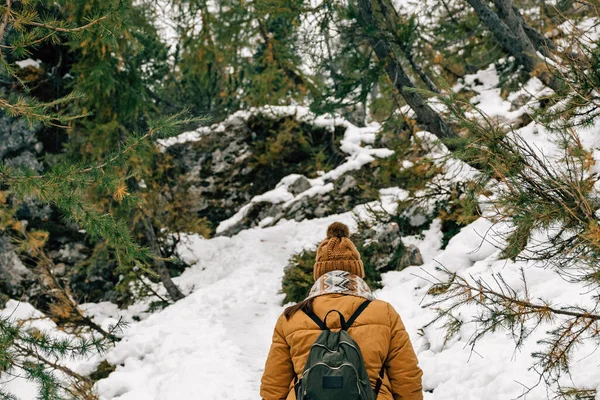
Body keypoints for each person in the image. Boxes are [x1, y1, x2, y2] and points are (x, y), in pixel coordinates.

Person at [260, 222, 423, 400]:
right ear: (356, 272)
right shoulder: (384, 312)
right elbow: (406, 377)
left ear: (319, 275)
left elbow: (274, 385)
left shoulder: (291, 317)